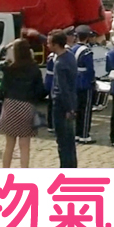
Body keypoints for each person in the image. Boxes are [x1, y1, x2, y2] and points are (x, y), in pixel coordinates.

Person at [0, 40, 43, 168]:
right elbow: (40, 91)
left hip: (10, 105)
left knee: (9, 145)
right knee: (25, 146)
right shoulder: (34, 69)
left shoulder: (10, 68)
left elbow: (2, 89)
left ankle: (5, 170)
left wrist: (6, 47)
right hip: (26, 106)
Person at [46, 31, 78, 168]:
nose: (47, 45)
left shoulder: (59, 63)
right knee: (69, 141)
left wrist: (68, 108)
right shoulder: (70, 56)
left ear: (56, 45)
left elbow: (62, 88)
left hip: (61, 105)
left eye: (49, 43)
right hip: (71, 102)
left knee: (62, 141)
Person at [69, 25, 97, 144]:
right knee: (86, 110)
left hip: (74, 81)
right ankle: (84, 134)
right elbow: (90, 69)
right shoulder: (87, 51)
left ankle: (77, 133)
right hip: (85, 82)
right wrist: (93, 82)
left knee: (77, 109)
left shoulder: (72, 49)